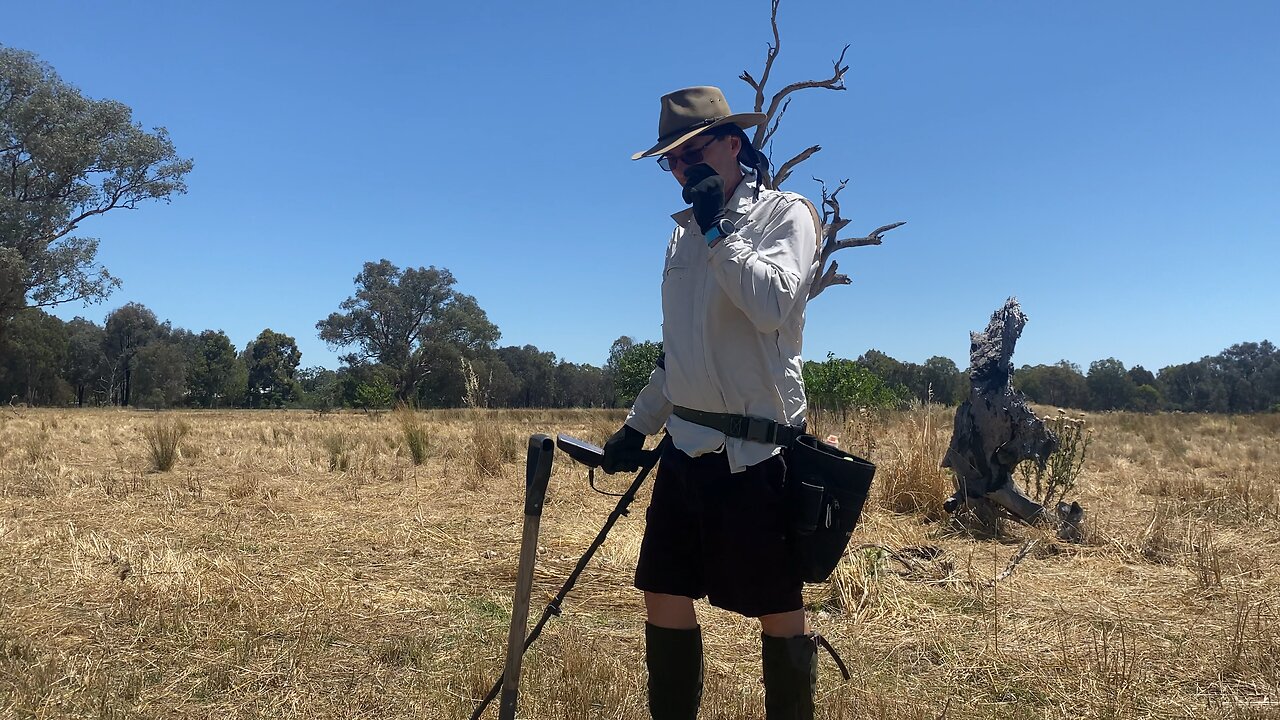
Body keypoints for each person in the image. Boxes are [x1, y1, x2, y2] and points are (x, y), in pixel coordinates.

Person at [602, 85, 823, 719]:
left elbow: (771, 306)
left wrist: (717, 230)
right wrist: (637, 426)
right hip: (687, 447)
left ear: (733, 145)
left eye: (692, 155)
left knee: (778, 609)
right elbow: (678, 353)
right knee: (664, 592)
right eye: (671, 162)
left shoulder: (788, 215)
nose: (681, 172)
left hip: (758, 452)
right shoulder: (679, 239)